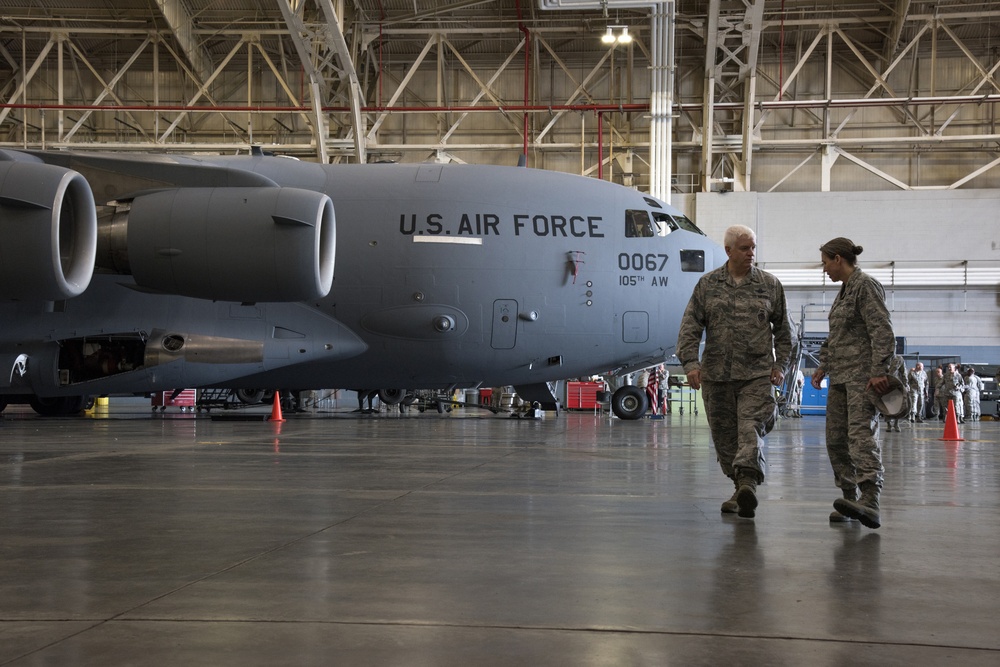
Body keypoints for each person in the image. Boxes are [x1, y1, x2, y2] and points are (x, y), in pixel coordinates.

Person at [677, 224, 793, 519]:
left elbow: (785, 333)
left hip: (756, 375)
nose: (751, 253)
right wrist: (691, 364)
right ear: (728, 251)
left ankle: (748, 483)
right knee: (725, 440)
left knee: (749, 429)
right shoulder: (708, 285)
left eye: (753, 247)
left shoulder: (770, 285)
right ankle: (739, 487)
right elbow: (690, 327)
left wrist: (780, 366)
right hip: (717, 376)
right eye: (745, 248)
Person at [811, 237, 897, 529]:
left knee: (861, 438)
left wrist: (879, 370)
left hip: (863, 378)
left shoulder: (865, 286)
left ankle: (870, 499)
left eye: (825, 263)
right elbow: (837, 337)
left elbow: (882, 330)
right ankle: (850, 498)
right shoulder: (844, 292)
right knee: (836, 440)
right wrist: (823, 366)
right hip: (839, 378)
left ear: (838, 259)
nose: (824, 270)